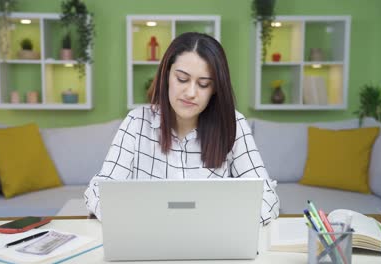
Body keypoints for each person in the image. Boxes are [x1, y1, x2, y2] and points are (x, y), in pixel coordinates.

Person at [84, 32, 279, 225]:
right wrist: (132, 220)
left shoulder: (232, 124)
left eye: (203, 84)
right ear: (166, 75)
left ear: (215, 90)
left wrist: (225, 224)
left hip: (212, 244)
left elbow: (267, 198)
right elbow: (98, 191)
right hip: (149, 243)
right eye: (182, 79)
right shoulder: (136, 123)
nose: (191, 93)